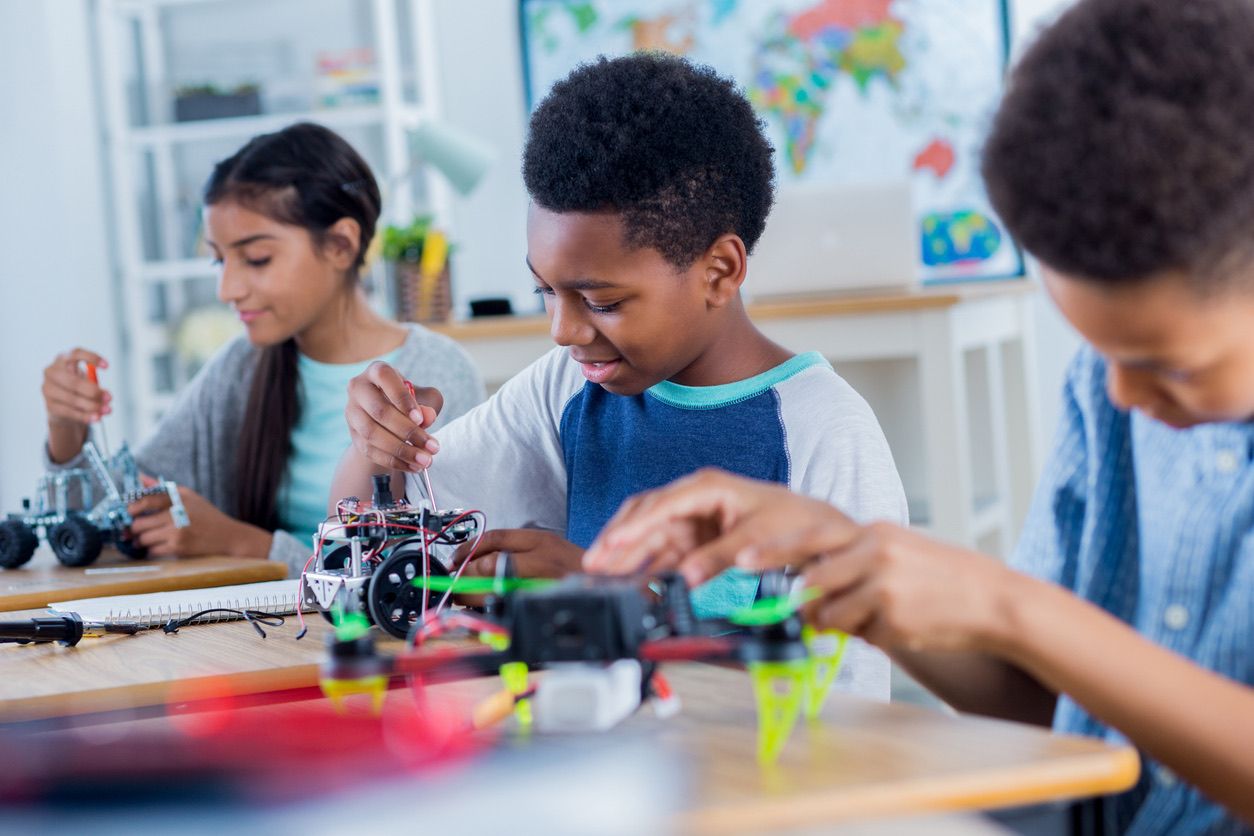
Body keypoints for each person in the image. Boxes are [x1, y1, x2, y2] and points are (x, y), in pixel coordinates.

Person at [583, 1, 1254, 832]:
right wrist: (856, 564)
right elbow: (1059, 718)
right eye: (1099, 350)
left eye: (1168, 365)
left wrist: (1013, 608)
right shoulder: (1109, 391)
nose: (1119, 395)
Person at [331, 54, 907, 700]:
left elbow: (845, 712)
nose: (563, 330)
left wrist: (626, 606)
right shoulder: (566, 387)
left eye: (601, 302)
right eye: (544, 291)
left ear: (719, 270)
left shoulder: (822, 432)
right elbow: (376, 549)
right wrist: (379, 449)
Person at [42, 122, 483, 574]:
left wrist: (242, 544)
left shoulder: (437, 373)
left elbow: (440, 568)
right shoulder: (240, 369)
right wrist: (67, 429)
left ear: (340, 244)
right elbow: (106, 514)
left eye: (256, 259)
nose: (228, 288)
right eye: (219, 259)